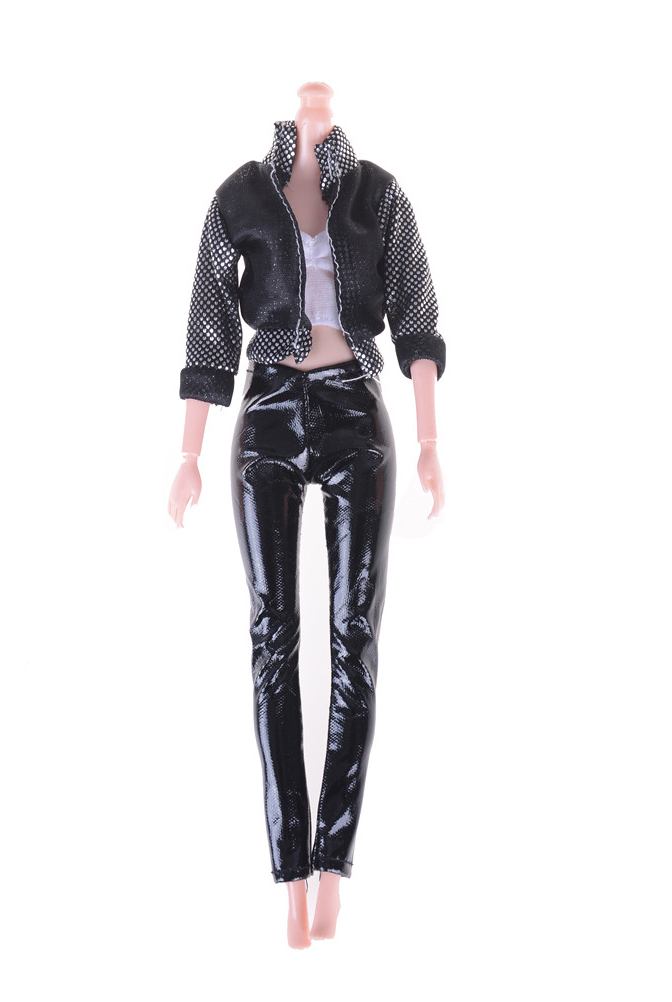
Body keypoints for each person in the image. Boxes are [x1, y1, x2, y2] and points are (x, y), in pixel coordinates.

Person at [168, 82, 446, 948]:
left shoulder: (378, 193)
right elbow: (210, 329)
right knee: (273, 637)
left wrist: (430, 440)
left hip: (357, 410)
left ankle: (334, 865)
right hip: (268, 416)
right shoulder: (240, 196)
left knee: (354, 635)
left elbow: (418, 318)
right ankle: (291, 869)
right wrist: (187, 455)